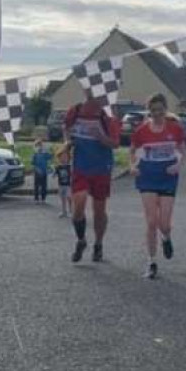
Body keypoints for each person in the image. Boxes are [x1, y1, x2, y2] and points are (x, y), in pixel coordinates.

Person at [130, 94, 186, 279]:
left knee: (164, 224)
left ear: (165, 109)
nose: (156, 113)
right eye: (153, 110)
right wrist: (132, 166)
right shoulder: (141, 131)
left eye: (160, 110)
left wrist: (178, 165)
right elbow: (132, 152)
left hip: (168, 177)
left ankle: (166, 238)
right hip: (147, 176)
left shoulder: (175, 129)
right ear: (149, 111)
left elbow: (184, 153)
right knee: (151, 222)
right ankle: (151, 262)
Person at [64, 93, 120, 263]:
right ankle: (81, 240)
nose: (89, 92)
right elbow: (66, 128)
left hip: (101, 167)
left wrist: (100, 137)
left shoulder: (108, 113)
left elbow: (115, 143)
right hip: (81, 165)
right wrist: (68, 142)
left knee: (99, 210)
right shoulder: (76, 110)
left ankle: (98, 244)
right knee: (78, 206)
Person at [54, 142, 73, 218]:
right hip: (61, 185)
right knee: (62, 198)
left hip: (68, 185)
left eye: (65, 157)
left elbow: (72, 174)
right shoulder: (58, 167)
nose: (63, 159)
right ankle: (63, 211)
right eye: (61, 157)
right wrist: (53, 174)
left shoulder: (69, 166)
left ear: (68, 158)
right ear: (59, 158)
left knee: (69, 197)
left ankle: (71, 210)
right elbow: (55, 173)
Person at [31, 139, 52, 204]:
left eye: (40, 146)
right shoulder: (35, 155)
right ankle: (36, 199)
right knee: (36, 186)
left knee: (44, 186)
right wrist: (37, 169)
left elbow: (50, 157)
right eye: (37, 146)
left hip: (44, 172)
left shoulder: (45, 154)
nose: (39, 147)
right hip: (37, 173)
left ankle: (43, 199)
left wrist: (49, 151)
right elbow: (33, 164)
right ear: (35, 147)